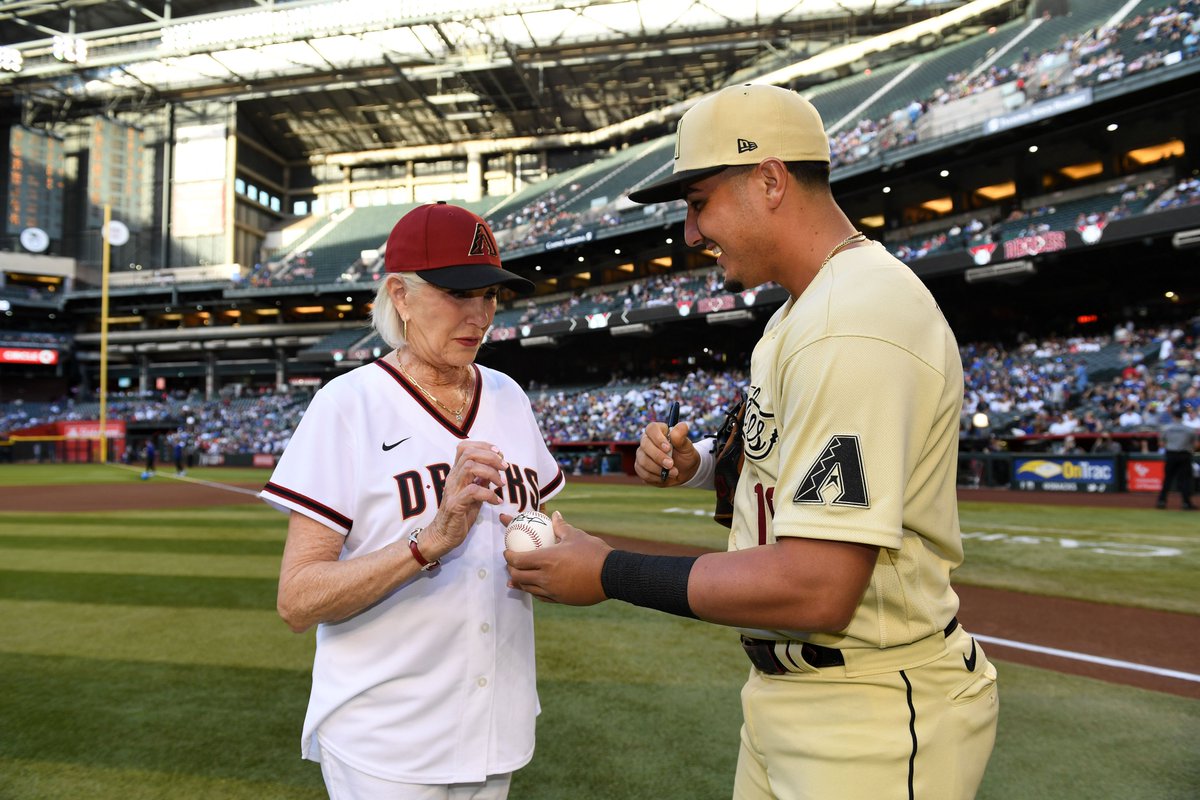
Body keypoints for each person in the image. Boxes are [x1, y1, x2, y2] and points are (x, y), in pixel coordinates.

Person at [506, 84, 998, 800]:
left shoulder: (854, 319)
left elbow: (819, 588)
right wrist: (700, 462)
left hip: (870, 718)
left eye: (698, 202)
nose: (689, 233)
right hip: (793, 701)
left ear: (769, 180)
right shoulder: (801, 313)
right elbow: (778, 458)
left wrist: (610, 572)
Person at [262, 202, 565, 799]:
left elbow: (538, 527)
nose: (479, 314)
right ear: (399, 295)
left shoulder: (507, 396)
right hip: (387, 740)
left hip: (495, 728)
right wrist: (430, 542)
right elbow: (298, 601)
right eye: (459, 292)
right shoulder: (347, 404)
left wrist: (557, 554)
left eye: (491, 295)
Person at [1155, 407, 1196, 510]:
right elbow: (1195, 444)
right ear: (1182, 417)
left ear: (1173, 417)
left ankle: (1161, 501)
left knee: (1167, 479)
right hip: (1184, 454)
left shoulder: (1166, 428)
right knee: (1185, 480)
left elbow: (1161, 444)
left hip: (1171, 454)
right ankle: (1186, 503)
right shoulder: (1189, 429)